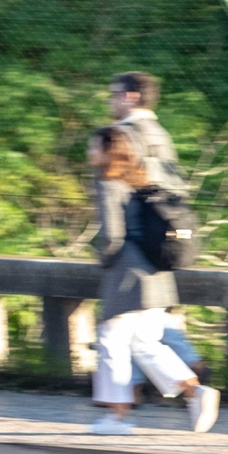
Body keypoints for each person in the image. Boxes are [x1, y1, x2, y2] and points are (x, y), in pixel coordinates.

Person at [88, 125, 218, 435]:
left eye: (94, 147)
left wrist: (101, 256)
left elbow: (111, 236)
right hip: (156, 278)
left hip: (127, 280)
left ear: (108, 152)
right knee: (145, 345)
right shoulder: (141, 179)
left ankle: (117, 417)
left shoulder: (108, 184)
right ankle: (195, 391)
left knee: (111, 344)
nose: (89, 152)